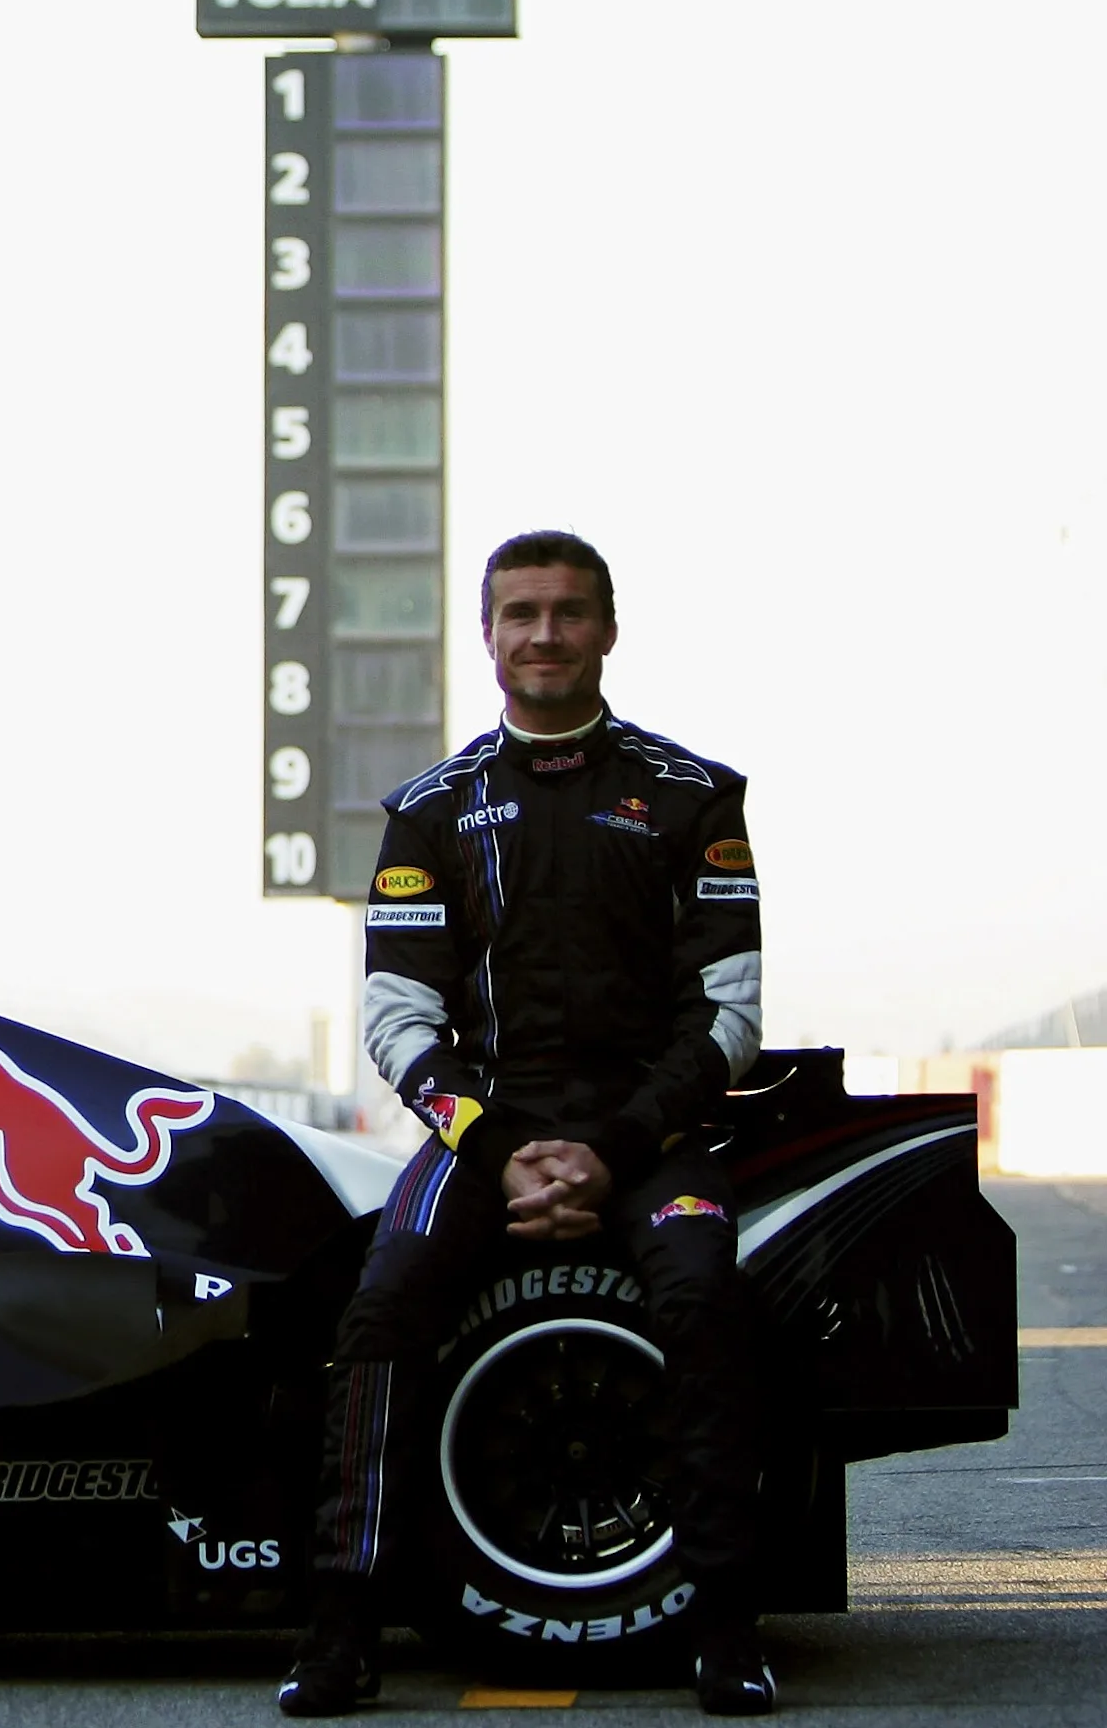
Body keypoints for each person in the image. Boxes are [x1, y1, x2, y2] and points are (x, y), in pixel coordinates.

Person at [281, 531, 772, 1718]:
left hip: (647, 1136)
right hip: (483, 1136)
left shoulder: (693, 796)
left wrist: (609, 1150)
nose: (542, 634)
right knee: (379, 1306)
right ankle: (342, 1628)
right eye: (520, 614)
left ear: (606, 631)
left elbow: (729, 1013)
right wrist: (503, 1153)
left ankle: (723, 1624)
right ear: (487, 635)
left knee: (704, 1297)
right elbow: (398, 1019)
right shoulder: (427, 812)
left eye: (566, 612)